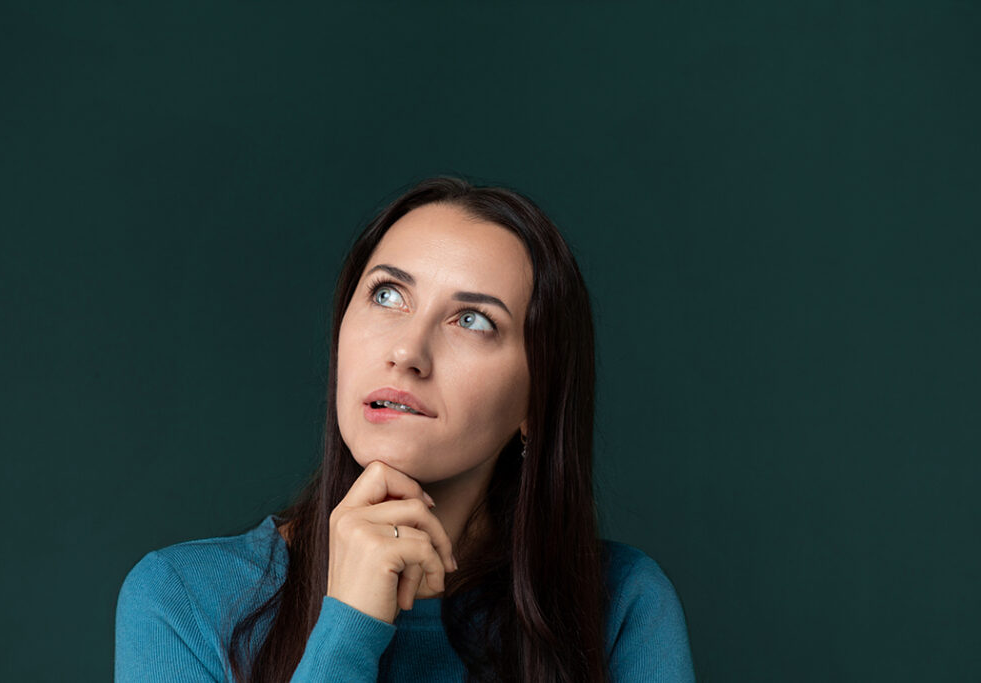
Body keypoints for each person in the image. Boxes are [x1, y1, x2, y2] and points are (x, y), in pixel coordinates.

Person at [114, 177, 696, 682]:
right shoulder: (183, 598)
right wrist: (349, 628)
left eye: (472, 320)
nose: (407, 352)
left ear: (536, 401)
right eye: (388, 295)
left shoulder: (621, 605)